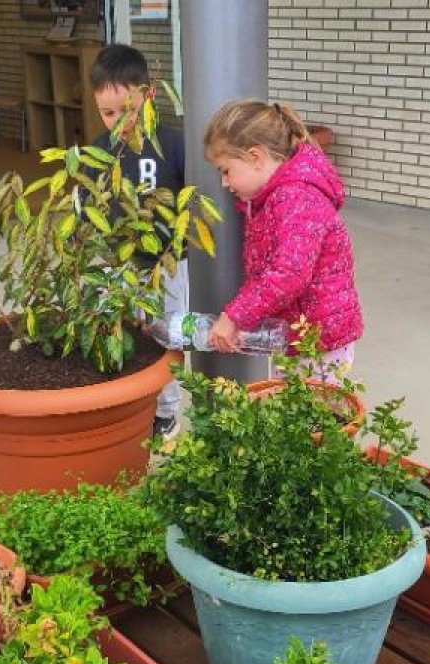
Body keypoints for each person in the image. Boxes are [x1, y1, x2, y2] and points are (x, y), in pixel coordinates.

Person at [203, 99, 362, 381]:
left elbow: (288, 274)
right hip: (301, 337)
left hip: (319, 343)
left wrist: (235, 317)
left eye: (226, 170)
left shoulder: (297, 198)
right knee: (293, 414)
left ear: (256, 157)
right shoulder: (273, 198)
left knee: (313, 419)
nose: (225, 184)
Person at [90, 43, 187, 439]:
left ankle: (166, 410)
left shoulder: (173, 144)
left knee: (167, 333)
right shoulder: (101, 150)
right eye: (106, 113)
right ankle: (131, 402)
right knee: (126, 328)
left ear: (147, 96)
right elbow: (92, 201)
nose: (116, 122)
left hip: (169, 262)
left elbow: (191, 200)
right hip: (122, 262)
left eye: (124, 111)